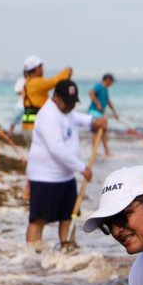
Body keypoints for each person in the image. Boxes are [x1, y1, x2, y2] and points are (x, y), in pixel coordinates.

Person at [26, 80, 106, 252]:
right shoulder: (48, 114)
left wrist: (94, 121)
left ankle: (68, 249)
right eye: (67, 102)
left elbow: (77, 117)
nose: (70, 106)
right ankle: (32, 256)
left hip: (65, 177)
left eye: (73, 102)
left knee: (68, 217)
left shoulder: (67, 110)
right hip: (44, 177)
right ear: (56, 98)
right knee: (38, 219)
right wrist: (82, 167)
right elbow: (56, 149)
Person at [20, 55, 73, 133]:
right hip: (36, 129)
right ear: (36, 69)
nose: (42, 70)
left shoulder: (27, 83)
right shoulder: (36, 82)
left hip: (28, 126)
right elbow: (53, 82)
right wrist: (67, 72)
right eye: (41, 67)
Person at [87, 73, 119, 157]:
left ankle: (105, 151)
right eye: (111, 82)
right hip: (93, 112)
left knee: (103, 131)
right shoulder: (99, 86)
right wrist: (97, 103)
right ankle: (97, 152)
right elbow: (90, 93)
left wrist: (114, 113)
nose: (112, 84)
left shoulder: (105, 89)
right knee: (96, 131)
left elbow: (108, 101)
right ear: (107, 80)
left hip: (100, 113)